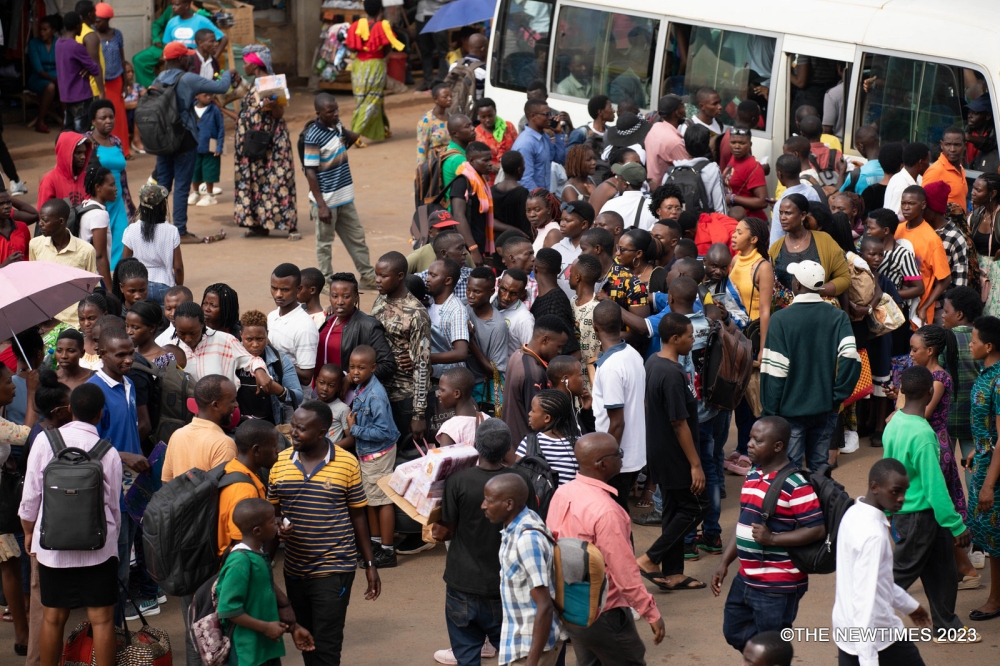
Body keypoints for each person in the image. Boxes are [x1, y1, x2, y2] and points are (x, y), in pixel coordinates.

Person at [269, 401, 382, 666]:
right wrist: (272, 545)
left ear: (322, 432)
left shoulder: (346, 463)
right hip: (295, 569)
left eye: (302, 429)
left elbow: (358, 516)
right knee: (306, 639)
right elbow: (272, 515)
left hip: (334, 568)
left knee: (327, 645)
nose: (294, 433)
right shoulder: (280, 464)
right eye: (293, 427)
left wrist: (370, 564)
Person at [18, 382, 121, 666]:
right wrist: (112, 541)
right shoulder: (108, 452)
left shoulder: (45, 441)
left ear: (69, 410)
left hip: (53, 548)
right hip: (98, 550)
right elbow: (114, 506)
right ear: (101, 414)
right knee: (102, 621)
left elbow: (30, 498)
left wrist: (29, 533)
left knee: (53, 619)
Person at [547, 432, 665, 663]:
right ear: (602, 465)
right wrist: (650, 612)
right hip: (605, 612)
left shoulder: (563, 493)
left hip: (572, 607)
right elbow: (624, 572)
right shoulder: (608, 512)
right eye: (618, 453)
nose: (622, 457)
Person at [711, 416, 825, 651]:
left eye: (757, 440)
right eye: (750, 438)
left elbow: (816, 528)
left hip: (777, 586)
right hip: (746, 578)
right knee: (734, 631)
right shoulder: (753, 473)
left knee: (771, 645)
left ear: (778, 446)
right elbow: (744, 522)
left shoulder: (796, 484)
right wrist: (725, 561)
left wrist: (773, 539)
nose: (749, 444)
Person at [431, 419, 538, 664]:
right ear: (508, 447)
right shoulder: (520, 481)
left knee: (466, 654)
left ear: (476, 446)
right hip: (507, 585)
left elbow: (445, 531)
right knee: (513, 653)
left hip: (462, 584)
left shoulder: (458, 481)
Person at [883, 366, 975, 637]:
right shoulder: (924, 434)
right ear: (928, 392)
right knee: (901, 574)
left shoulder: (895, 422)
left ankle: (947, 627)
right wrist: (956, 525)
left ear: (901, 390)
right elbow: (935, 487)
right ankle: (864, 614)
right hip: (919, 514)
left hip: (909, 513)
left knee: (943, 571)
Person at [761, 260, 860, 470]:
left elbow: (775, 371)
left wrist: (770, 413)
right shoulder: (838, 317)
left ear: (796, 285)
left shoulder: (780, 319)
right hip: (826, 409)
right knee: (820, 470)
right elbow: (850, 357)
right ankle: (819, 503)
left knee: (790, 471)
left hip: (790, 412)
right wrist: (837, 396)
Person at [833, 458, 932, 665]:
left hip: (847, 633)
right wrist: (868, 660)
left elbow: (879, 582)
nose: (901, 499)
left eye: (905, 492)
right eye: (895, 491)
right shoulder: (874, 536)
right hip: (878, 638)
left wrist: (909, 606)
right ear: (875, 487)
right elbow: (865, 601)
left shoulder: (852, 513)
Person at [635, 313, 707, 590]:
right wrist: (695, 465)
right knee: (697, 507)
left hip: (659, 451)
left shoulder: (654, 362)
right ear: (675, 339)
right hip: (676, 455)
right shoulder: (672, 374)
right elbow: (679, 424)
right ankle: (651, 558)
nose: (693, 339)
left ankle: (674, 572)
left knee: (674, 510)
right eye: (689, 335)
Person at [152, 41, 235, 243]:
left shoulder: (159, 78)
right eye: (187, 56)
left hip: (162, 139)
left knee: (163, 184)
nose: (189, 58)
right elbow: (222, 87)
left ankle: (155, 230)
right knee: (181, 186)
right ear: (180, 59)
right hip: (184, 139)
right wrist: (228, 72)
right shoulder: (187, 78)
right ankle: (180, 231)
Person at [481, 473, 566, 665]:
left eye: (488, 500)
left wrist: (532, 662)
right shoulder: (524, 519)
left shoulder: (526, 540)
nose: (483, 506)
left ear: (509, 504)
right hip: (524, 642)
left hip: (532, 649)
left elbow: (544, 605)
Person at [304, 93, 377, 288]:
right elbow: (310, 172)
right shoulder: (312, 136)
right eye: (331, 111)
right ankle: (325, 282)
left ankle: (368, 276)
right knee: (325, 245)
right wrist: (321, 205)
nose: (336, 113)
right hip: (326, 201)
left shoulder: (336, 126)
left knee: (357, 238)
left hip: (345, 197)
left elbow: (346, 140)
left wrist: (348, 135)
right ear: (319, 113)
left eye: (336, 109)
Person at [217, 499, 298, 666]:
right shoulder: (239, 562)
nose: (277, 524)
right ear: (257, 531)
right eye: (272, 521)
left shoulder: (258, 555)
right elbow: (228, 609)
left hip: (266, 648)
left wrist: (295, 628)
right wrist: (266, 627)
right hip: (247, 652)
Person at [233, 44, 298, 239]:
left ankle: (289, 225)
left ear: (255, 65)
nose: (243, 66)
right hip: (252, 141)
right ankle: (259, 224)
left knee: (277, 180)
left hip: (272, 141)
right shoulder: (254, 83)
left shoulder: (271, 83)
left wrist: (274, 104)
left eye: (245, 63)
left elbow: (279, 113)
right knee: (256, 181)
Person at [345, 345, 400, 567]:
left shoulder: (375, 395)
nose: (355, 372)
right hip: (368, 454)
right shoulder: (361, 387)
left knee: (383, 500)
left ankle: (387, 550)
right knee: (371, 499)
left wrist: (354, 429)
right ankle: (376, 544)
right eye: (352, 367)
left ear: (374, 368)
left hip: (379, 453)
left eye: (361, 367)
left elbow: (384, 431)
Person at [590, 301, 646, 508]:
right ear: (622, 322)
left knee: (614, 520)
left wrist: (605, 462)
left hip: (618, 461)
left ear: (595, 327)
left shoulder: (611, 368)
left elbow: (617, 423)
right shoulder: (632, 354)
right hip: (633, 453)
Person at [372, 251, 431, 444]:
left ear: (399, 276)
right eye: (376, 274)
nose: (377, 280)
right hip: (381, 392)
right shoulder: (381, 299)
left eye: (383, 276)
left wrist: (418, 415)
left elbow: (423, 365)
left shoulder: (417, 314)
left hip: (406, 398)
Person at [965, 316, 1000, 621]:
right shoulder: (987, 374)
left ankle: (995, 599)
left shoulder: (999, 381)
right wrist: (978, 449)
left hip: (995, 474)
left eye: (974, 341)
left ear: (989, 346)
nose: (970, 344)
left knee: (997, 538)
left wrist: (989, 484)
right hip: (985, 464)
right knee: (991, 536)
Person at [316, 272, 397, 384]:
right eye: (335, 296)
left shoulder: (369, 326)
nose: (340, 302)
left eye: (346, 296)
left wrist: (352, 379)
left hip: (348, 396)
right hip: (319, 391)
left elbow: (388, 365)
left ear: (355, 297)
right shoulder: (325, 321)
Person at [501, 315, 568, 449]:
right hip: (526, 451)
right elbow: (539, 421)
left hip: (513, 445)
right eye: (559, 346)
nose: (560, 351)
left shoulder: (517, 354)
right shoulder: (534, 374)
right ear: (545, 340)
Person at [172, 302, 273, 389]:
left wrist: (259, 370)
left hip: (223, 408)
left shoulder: (225, 341)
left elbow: (251, 360)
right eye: (182, 333)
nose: (188, 339)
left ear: (203, 324)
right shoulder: (172, 349)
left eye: (193, 333)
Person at [29, 200, 98, 327]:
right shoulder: (35, 245)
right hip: (46, 323)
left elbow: (93, 288)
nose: (40, 224)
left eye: (45, 220)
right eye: (40, 220)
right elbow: (34, 282)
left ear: (61, 221)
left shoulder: (86, 250)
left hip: (74, 323)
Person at [769, 194, 850, 297]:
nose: (782, 218)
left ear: (802, 215)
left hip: (819, 306)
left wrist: (815, 292)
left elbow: (844, 278)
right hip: (785, 309)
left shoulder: (824, 241)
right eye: (781, 213)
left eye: (788, 213)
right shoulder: (776, 248)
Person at [86, 99, 135, 270]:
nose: (108, 121)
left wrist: (129, 203)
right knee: (102, 244)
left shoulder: (116, 141)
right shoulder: (87, 143)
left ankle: (118, 281)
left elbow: (122, 176)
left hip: (118, 201)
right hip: (100, 204)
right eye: (102, 118)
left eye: (111, 117)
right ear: (93, 121)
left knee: (122, 242)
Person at [895, 186, 952, 324]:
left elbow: (945, 279)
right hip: (896, 307)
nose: (906, 207)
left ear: (923, 205)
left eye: (911, 203)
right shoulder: (898, 229)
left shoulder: (932, 239)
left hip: (917, 311)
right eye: (903, 203)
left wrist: (925, 307)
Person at [237, 310, 303, 426]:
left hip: (270, 426)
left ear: (267, 334)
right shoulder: (232, 358)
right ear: (241, 334)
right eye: (249, 339)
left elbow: (298, 397)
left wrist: (277, 389)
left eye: (260, 339)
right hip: (238, 426)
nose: (255, 344)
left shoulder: (279, 359)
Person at [121, 184, 183, 305]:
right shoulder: (172, 230)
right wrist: (179, 288)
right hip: (165, 286)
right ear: (162, 206)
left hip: (139, 288)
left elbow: (125, 263)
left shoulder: (131, 229)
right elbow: (178, 267)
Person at [267, 263, 320, 386]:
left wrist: (272, 353)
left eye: (285, 289)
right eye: (274, 288)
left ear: (299, 289)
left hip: (292, 402)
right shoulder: (272, 316)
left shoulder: (305, 327)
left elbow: (306, 377)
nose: (278, 294)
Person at [465, 267, 509, 407]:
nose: (470, 295)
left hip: (483, 390)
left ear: (491, 292)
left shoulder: (497, 325)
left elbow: (493, 372)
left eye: (477, 292)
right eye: (468, 290)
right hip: (465, 383)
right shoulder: (463, 307)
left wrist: (471, 342)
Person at [580, 227, 649, 316]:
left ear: (597, 249)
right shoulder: (583, 275)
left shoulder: (631, 282)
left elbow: (642, 326)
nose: (581, 255)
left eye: (583, 249)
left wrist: (612, 305)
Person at [92, 4, 130, 157]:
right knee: (101, 115)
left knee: (118, 116)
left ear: (107, 20)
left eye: (99, 21)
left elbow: (122, 58)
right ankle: (104, 149)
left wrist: (125, 82)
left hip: (116, 80)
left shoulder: (117, 34)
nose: (96, 23)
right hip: (100, 82)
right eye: (95, 20)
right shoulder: (92, 35)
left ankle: (123, 150)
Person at [55, 12, 102, 133]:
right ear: (77, 27)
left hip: (67, 96)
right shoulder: (77, 47)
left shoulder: (58, 43)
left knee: (69, 133)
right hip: (81, 96)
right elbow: (95, 69)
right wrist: (87, 67)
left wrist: (86, 67)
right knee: (82, 134)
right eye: (81, 25)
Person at [923, 181, 971, 294]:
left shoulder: (955, 237)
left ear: (933, 209)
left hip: (940, 303)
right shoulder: (921, 228)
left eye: (924, 207)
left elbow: (960, 280)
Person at [668, 124, 727, 214]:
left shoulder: (672, 171)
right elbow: (720, 208)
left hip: (676, 224)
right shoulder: (712, 169)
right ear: (707, 144)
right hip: (702, 224)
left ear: (684, 143)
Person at [512, 98, 567, 192]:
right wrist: (543, 199)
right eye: (546, 114)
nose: (550, 117)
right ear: (533, 116)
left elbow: (559, 158)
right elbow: (525, 180)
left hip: (541, 198)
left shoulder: (544, 137)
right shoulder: (526, 143)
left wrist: (558, 133)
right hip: (532, 201)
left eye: (550, 114)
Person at [770, 154, 821, 244]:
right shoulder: (812, 192)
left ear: (779, 174)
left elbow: (776, 242)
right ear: (800, 171)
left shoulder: (781, 205)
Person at [434, 367, 491, 447]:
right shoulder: (486, 419)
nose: (438, 394)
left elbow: (447, 459)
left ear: (457, 394)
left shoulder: (450, 429)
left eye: (442, 390)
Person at [37, 131, 92, 210]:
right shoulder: (49, 180)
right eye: (78, 153)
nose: (83, 157)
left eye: (84, 152)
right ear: (66, 154)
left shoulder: (86, 178)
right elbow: (43, 214)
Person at [970, 174, 1000, 317]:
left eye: (978, 190)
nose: (972, 192)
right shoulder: (977, 215)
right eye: (973, 188)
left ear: (992, 193)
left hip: (997, 278)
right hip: (979, 275)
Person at [722, 127, 768, 221]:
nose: (737, 146)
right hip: (736, 218)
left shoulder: (753, 166)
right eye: (733, 142)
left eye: (742, 143)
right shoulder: (734, 158)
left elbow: (763, 201)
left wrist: (733, 198)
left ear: (750, 144)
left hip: (751, 222)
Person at [921, 127, 969, 215]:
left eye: (957, 145)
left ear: (965, 146)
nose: (952, 149)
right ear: (942, 145)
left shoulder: (960, 168)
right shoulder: (935, 170)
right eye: (948, 144)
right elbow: (923, 205)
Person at [645, 94, 690, 186]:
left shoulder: (655, 128)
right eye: (683, 107)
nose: (685, 111)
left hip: (652, 186)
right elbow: (690, 169)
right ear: (676, 113)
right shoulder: (674, 142)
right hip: (664, 191)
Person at [27, 15, 61, 134]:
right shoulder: (33, 44)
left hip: (57, 78)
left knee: (66, 84)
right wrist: (54, 80)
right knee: (51, 86)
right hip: (38, 79)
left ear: (53, 31)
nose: (41, 32)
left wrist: (60, 79)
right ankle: (40, 121)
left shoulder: (59, 43)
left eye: (45, 29)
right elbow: (39, 70)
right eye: (40, 29)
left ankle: (67, 121)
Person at [189, 92, 223, 208]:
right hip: (193, 147)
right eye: (205, 95)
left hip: (210, 147)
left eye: (210, 95)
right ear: (196, 95)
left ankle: (210, 195)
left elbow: (221, 128)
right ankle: (196, 193)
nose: (209, 97)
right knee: (194, 171)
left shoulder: (214, 110)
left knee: (209, 171)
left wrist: (219, 146)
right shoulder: (190, 109)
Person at [600, 162, 656, 231]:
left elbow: (600, 228)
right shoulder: (653, 205)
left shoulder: (611, 204)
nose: (617, 183)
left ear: (624, 184)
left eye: (618, 180)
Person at [475, 98, 518, 187]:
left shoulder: (508, 127)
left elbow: (518, 148)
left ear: (495, 112)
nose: (487, 120)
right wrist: (490, 166)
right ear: (478, 116)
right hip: (489, 182)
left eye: (490, 115)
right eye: (483, 117)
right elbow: (473, 159)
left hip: (511, 178)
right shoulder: (476, 135)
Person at [494, 268, 535, 358]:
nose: (506, 297)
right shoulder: (489, 301)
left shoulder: (525, 320)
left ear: (522, 293)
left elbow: (530, 355)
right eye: (504, 289)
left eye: (513, 293)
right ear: (499, 283)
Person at [130, 2, 173, 88]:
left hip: (177, 49)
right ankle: (150, 88)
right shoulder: (170, 10)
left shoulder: (195, 14)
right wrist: (156, 38)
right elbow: (157, 24)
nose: (174, 6)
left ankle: (158, 88)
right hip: (163, 46)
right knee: (138, 59)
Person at [884, 142, 929, 216]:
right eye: (928, 162)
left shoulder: (906, 180)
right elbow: (895, 217)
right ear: (921, 162)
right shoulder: (902, 185)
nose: (929, 166)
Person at [492, 152, 531, 236]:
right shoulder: (522, 193)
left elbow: (489, 220)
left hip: (497, 240)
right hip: (518, 239)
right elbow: (526, 222)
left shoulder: (492, 190)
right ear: (519, 169)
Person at [417, 82, 452, 165]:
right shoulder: (426, 121)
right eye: (445, 97)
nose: (449, 99)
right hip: (434, 166)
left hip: (451, 165)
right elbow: (421, 149)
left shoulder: (452, 118)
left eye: (451, 96)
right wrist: (421, 173)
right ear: (435, 99)